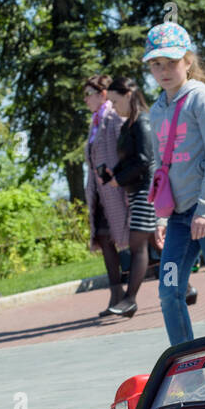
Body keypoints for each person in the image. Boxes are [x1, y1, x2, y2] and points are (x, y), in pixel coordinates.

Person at [144, 21, 205, 345]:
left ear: (188, 61)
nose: (163, 71)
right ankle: (183, 362)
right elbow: (161, 166)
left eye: (171, 62)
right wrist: (161, 216)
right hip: (178, 218)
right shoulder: (157, 109)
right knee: (169, 290)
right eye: (156, 64)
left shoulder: (202, 99)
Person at [104, 76, 156, 317]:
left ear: (128, 95)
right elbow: (130, 159)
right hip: (137, 191)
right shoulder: (128, 125)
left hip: (147, 191)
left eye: (115, 101)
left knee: (138, 245)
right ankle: (186, 289)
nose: (113, 107)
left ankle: (130, 299)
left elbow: (145, 160)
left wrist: (119, 178)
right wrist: (114, 173)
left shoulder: (142, 122)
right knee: (156, 244)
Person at [82, 74, 130, 315]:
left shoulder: (113, 116)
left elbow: (127, 148)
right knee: (105, 239)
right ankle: (117, 295)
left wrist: (119, 176)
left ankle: (182, 285)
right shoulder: (95, 122)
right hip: (100, 194)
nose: (85, 99)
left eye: (88, 94)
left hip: (118, 191)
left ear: (102, 93)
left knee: (147, 240)